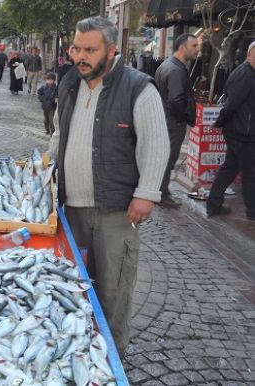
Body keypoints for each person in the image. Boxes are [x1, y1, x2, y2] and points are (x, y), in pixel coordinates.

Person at [48, 16, 169, 356]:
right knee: (71, 284)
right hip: (72, 207)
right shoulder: (70, 83)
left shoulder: (138, 88)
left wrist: (147, 194)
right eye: (76, 48)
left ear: (112, 50)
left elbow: (156, 144)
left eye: (90, 49)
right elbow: (60, 134)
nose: (80, 56)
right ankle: (77, 354)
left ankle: (112, 357)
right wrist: (45, 168)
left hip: (116, 210)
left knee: (114, 290)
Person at [207, 41, 255, 220]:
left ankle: (214, 204)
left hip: (241, 130)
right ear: (249, 55)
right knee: (250, 172)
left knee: (231, 168)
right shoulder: (245, 74)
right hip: (242, 132)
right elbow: (232, 103)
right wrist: (220, 121)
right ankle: (252, 211)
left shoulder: (249, 73)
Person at [154, 33, 199, 208]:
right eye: (194, 46)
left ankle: (160, 191)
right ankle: (162, 194)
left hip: (166, 119)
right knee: (168, 157)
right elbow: (175, 100)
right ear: (182, 47)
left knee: (165, 157)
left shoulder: (167, 66)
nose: (197, 49)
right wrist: (183, 118)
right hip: (172, 121)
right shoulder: (175, 70)